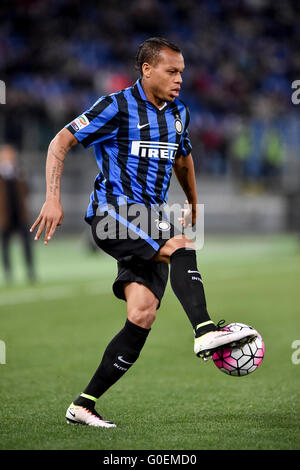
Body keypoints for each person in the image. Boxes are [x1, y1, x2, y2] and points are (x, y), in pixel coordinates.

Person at [30, 38, 257, 428]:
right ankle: (204, 330)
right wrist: (52, 198)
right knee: (181, 246)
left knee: (142, 314)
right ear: (147, 70)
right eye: (172, 71)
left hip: (150, 218)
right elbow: (60, 141)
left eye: (182, 71)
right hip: (112, 214)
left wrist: (192, 201)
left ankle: (83, 405)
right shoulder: (115, 106)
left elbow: (183, 157)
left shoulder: (179, 113)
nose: (180, 78)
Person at [0, 144, 36, 284]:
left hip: (20, 215)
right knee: (5, 247)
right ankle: (8, 273)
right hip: (5, 216)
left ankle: (30, 271)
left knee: (27, 245)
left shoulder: (19, 172)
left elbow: (27, 191)